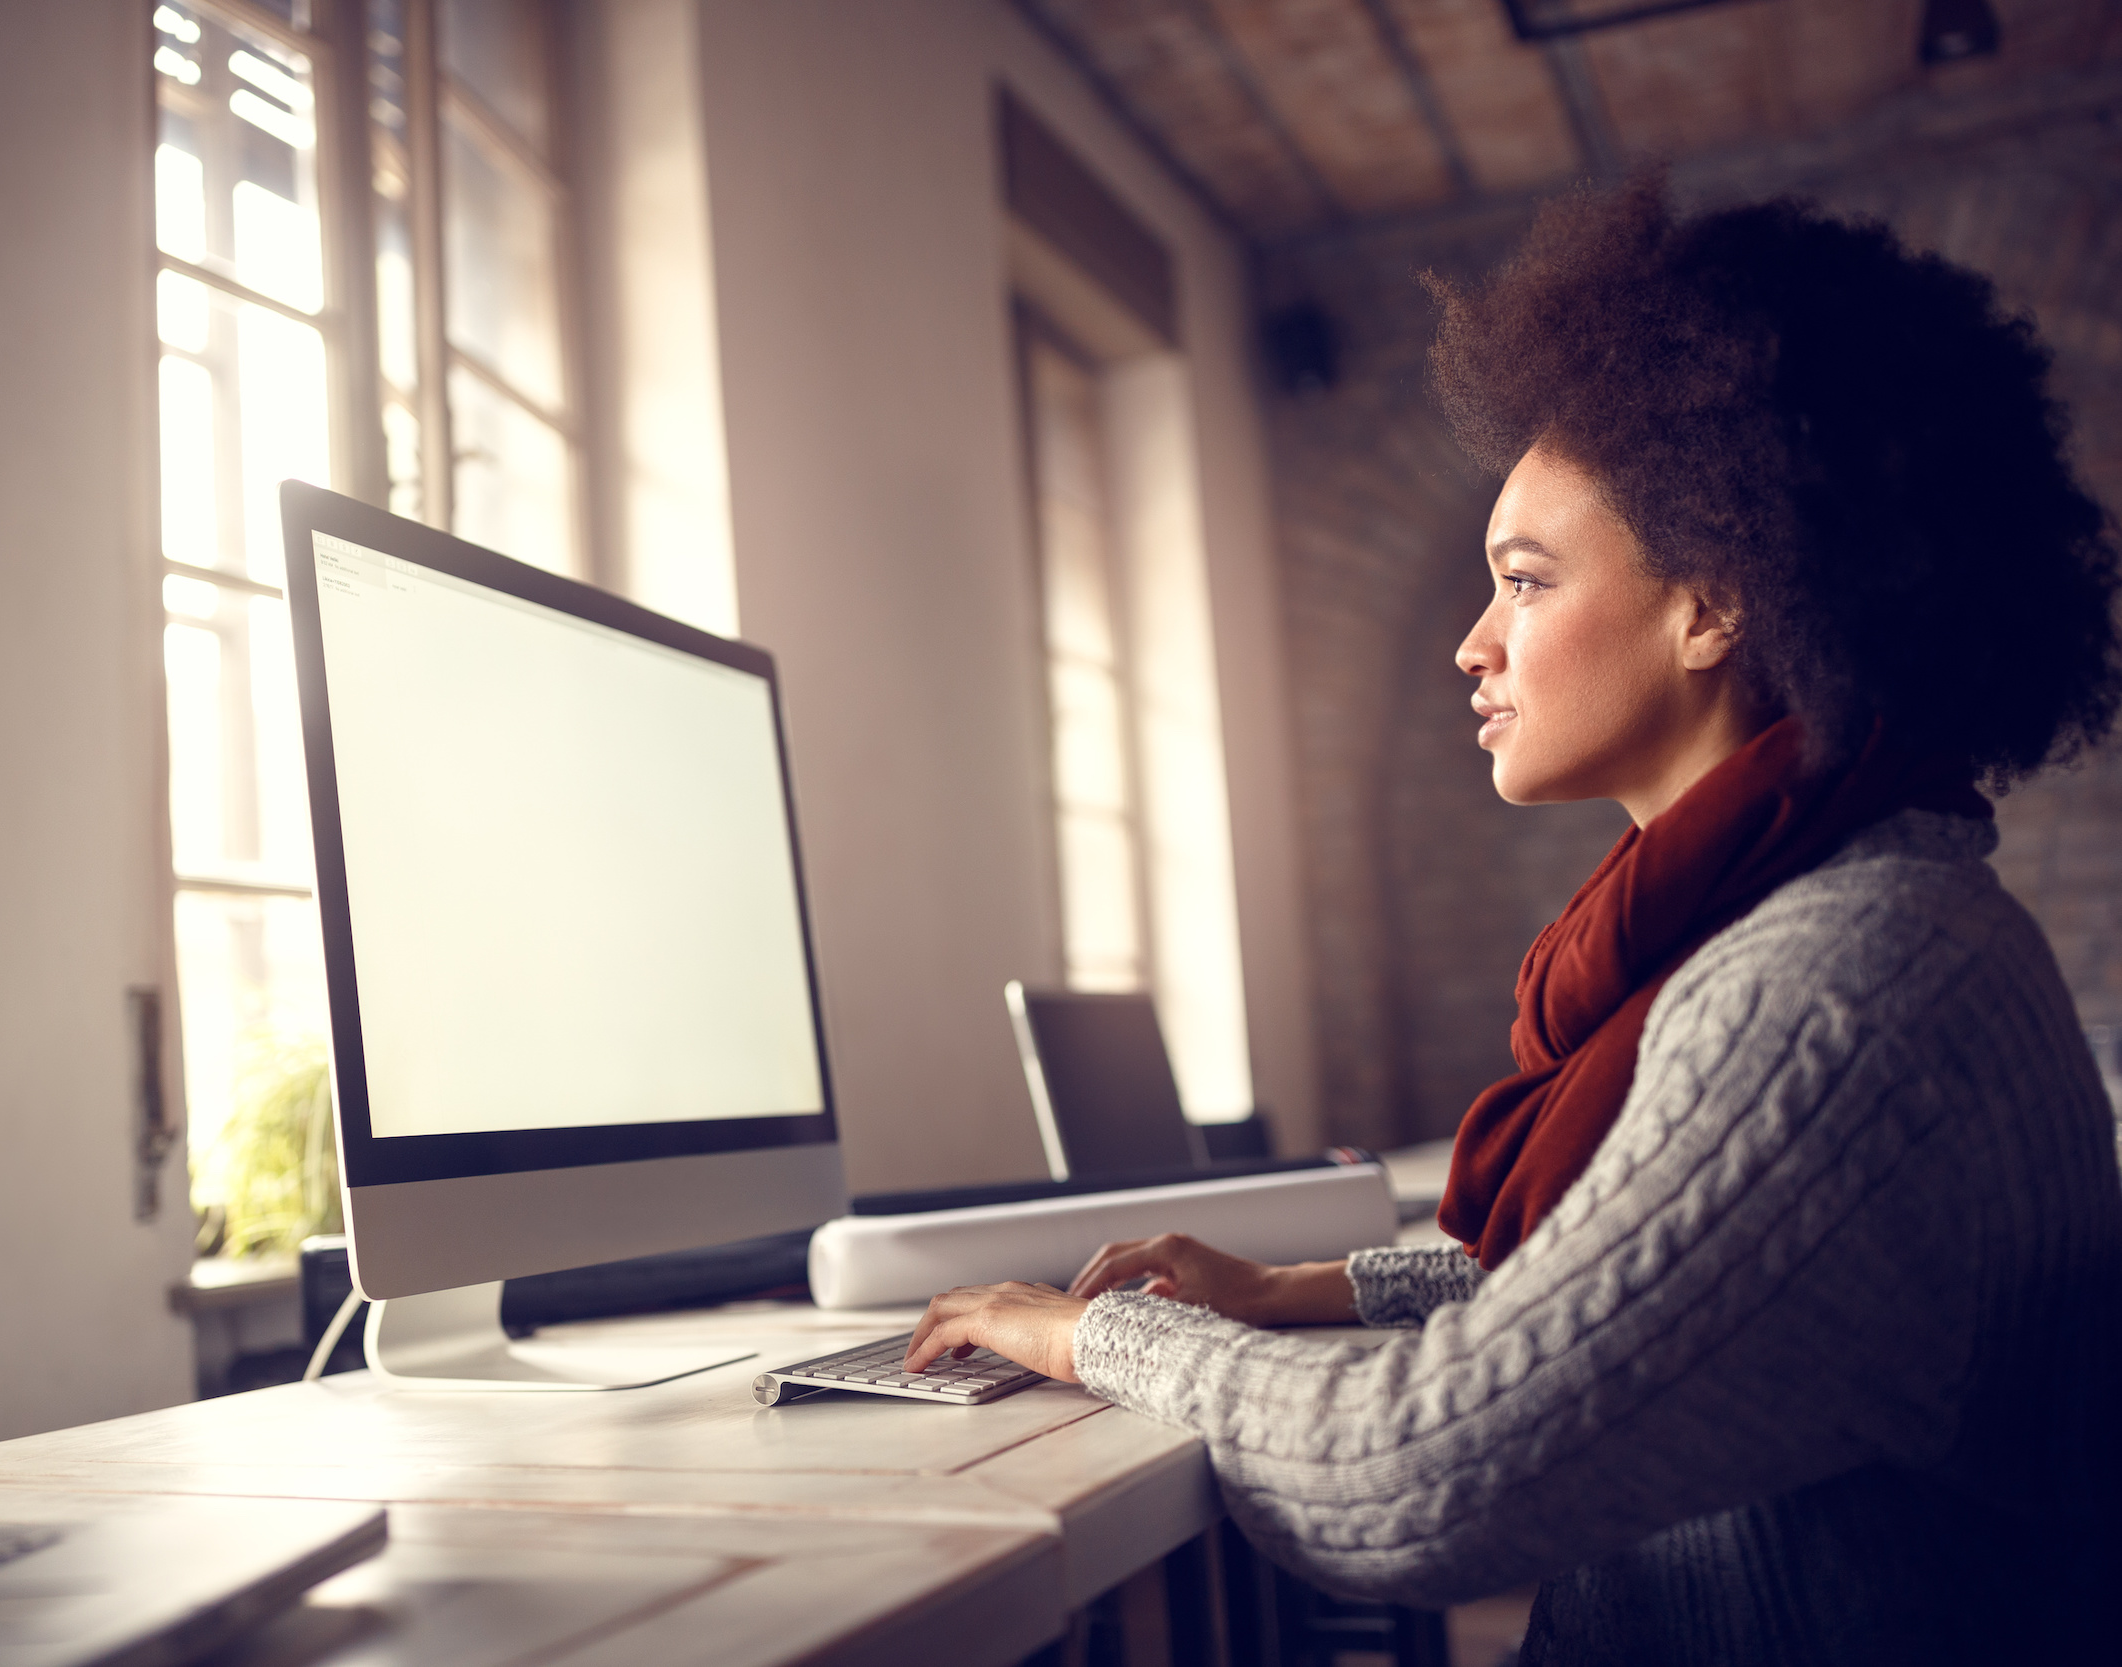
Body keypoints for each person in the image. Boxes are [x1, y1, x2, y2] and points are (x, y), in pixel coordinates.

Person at [905, 176, 2122, 1662]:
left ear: (1716, 599)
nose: (1474, 647)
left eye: (1526, 581)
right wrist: (1307, 1287)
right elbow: (1671, 1285)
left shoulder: (1838, 987)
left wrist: (1087, 1336)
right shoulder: (1845, 908)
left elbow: (1412, 1480)